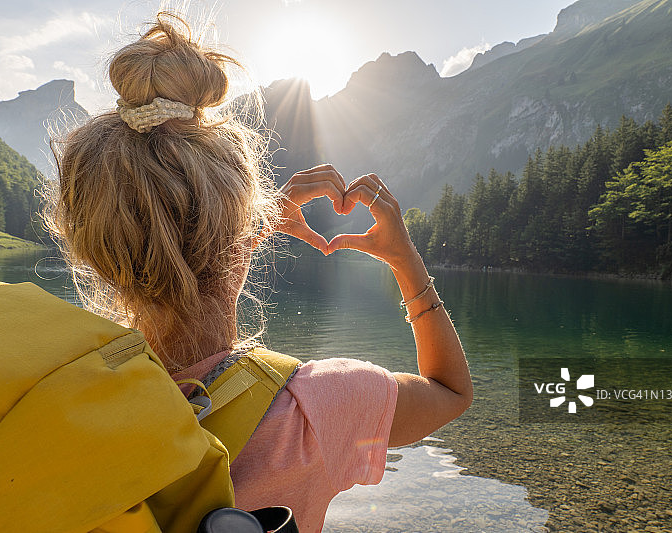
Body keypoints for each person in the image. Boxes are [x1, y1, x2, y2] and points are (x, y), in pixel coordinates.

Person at [44, 12, 472, 533]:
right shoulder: (316, 408)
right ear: (245, 235)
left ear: (90, 246)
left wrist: (247, 226)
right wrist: (406, 261)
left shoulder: (54, 396)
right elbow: (451, 392)